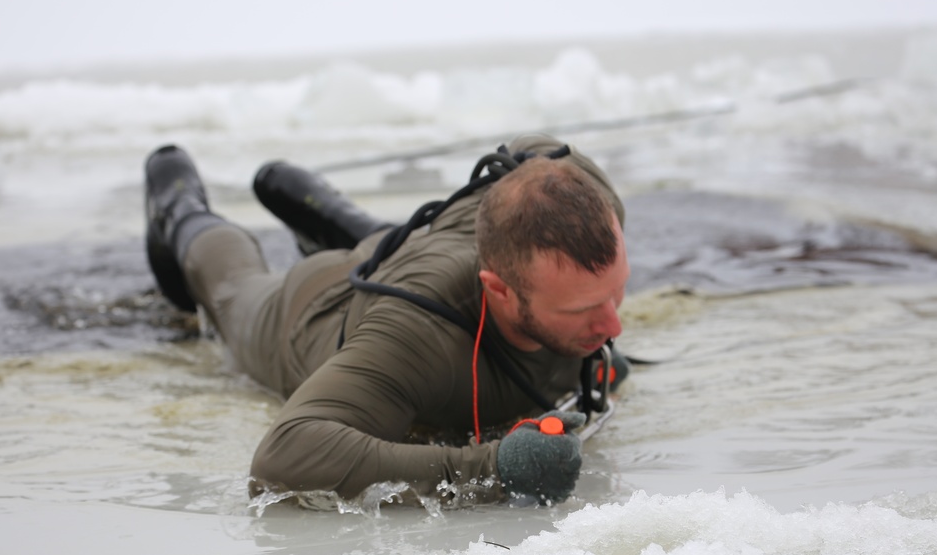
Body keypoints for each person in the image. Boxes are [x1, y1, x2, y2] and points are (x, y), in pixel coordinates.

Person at [143, 135, 629, 506]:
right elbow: (283, 457)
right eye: (583, 310)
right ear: (498, 289)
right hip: (311, 308)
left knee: (394, 242)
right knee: (231, 288)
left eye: (617, 292)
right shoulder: (420, 333)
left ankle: (312, 202)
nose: (614, 327)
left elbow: (535, 149)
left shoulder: (589, 195)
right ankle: (181, 210)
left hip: (409, 251)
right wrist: (494, 468)